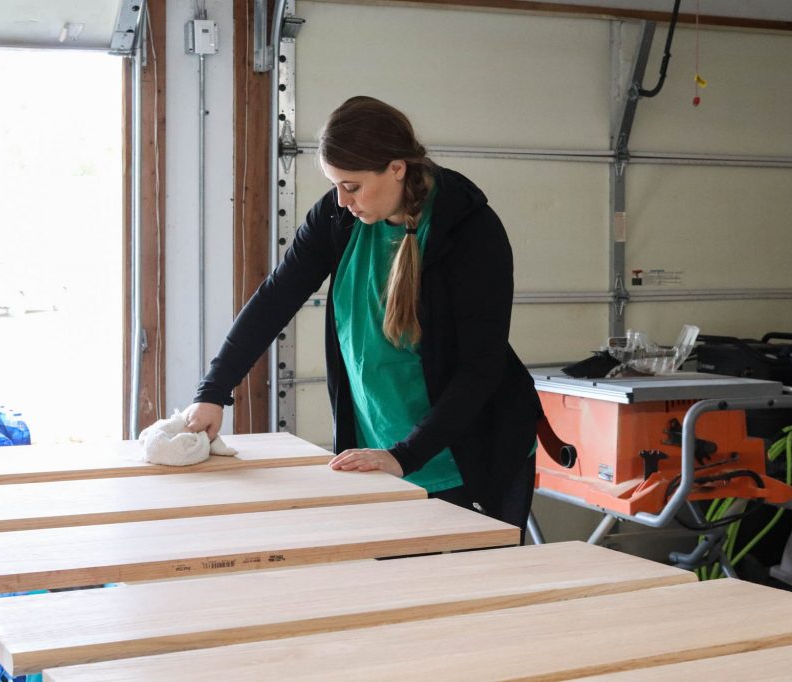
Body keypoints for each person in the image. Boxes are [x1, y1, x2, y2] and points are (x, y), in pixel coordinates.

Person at [185, 95, 546, 530]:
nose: (340, 200)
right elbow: (275, 298)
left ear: (397, 168)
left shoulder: (471, 232)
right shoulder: (339, 221)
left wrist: (405, 456)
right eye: (335, 185)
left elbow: (480, 368)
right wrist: (213, 391)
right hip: (381, 454)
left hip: (465, 456)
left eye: (351, 186)